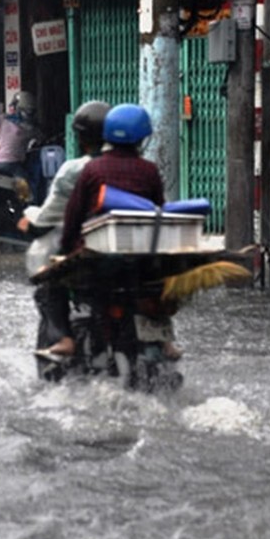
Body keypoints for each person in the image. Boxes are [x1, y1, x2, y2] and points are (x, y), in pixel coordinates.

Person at [53, 102, 177, 360]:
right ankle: (166, 341)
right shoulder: (149, 171)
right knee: (160, 288)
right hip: (139, 264)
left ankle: (65, 338)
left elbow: (73, 214)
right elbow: (159, 213)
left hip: (97, 263)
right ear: (142, 138)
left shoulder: (92, 169)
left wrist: (65, 249)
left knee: (53, 282)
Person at [19, 100, 110, 359]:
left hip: (89, 253)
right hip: (135, 254)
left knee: (48, 283)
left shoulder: (77, 170)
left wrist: (29, 217)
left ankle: (63, 338)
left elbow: (54, 215)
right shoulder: (144, 167)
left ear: (80, 137)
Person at [0, 91, 41, 178]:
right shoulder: (30, 129)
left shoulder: (3, 119)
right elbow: (40, 138)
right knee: (25, 183)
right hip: (11, 164)